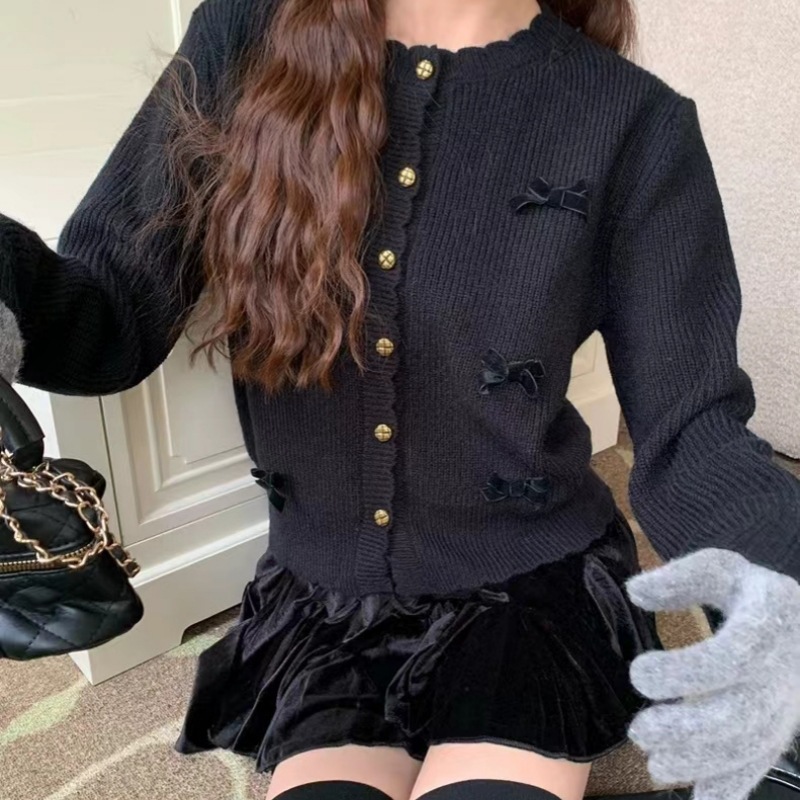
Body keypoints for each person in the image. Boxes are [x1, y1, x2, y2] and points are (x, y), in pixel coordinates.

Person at [1, 1, 799, 799]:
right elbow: (105, 320)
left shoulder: (631, 117)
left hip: (530, 594)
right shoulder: (244, 34)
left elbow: (691, 436)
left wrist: (783, 582)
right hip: (329, 609)